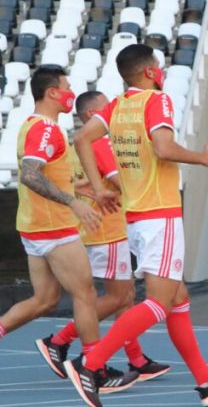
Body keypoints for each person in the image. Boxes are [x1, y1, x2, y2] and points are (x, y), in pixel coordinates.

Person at [68, 44, 208, 407]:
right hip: (159, 214)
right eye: (158, 66)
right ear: (150, 71)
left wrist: (99, 188)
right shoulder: (157, 100)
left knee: (178, 298)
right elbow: (163, 148)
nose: (162, 72)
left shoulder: (117, 106)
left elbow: (82, 138)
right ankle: (91, 364)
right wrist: (202, 158)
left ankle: (206, 380)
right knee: (159, 303)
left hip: (138, 216)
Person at [0, 67, 134, 392]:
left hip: (34, 226)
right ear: (52, 93)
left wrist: (82, 191)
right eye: (67, 87)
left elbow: (46, 176)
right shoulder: (45, 129)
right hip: (54, 228)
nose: (71, 92)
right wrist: (73, 203)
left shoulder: (35, 126)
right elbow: (31, 175)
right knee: (85, 294)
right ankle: (93, 368)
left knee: (45, 300)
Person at [37, 91, 170, 386]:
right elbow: (119, 181)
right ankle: (60, 341)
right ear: (90, 115)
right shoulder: (98, 141)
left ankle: (136, 359)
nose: (112, 112)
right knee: (118, 296)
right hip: (107, 228)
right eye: (105, 108)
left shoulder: (83, 145)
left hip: (102, 228)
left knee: (125, 296)